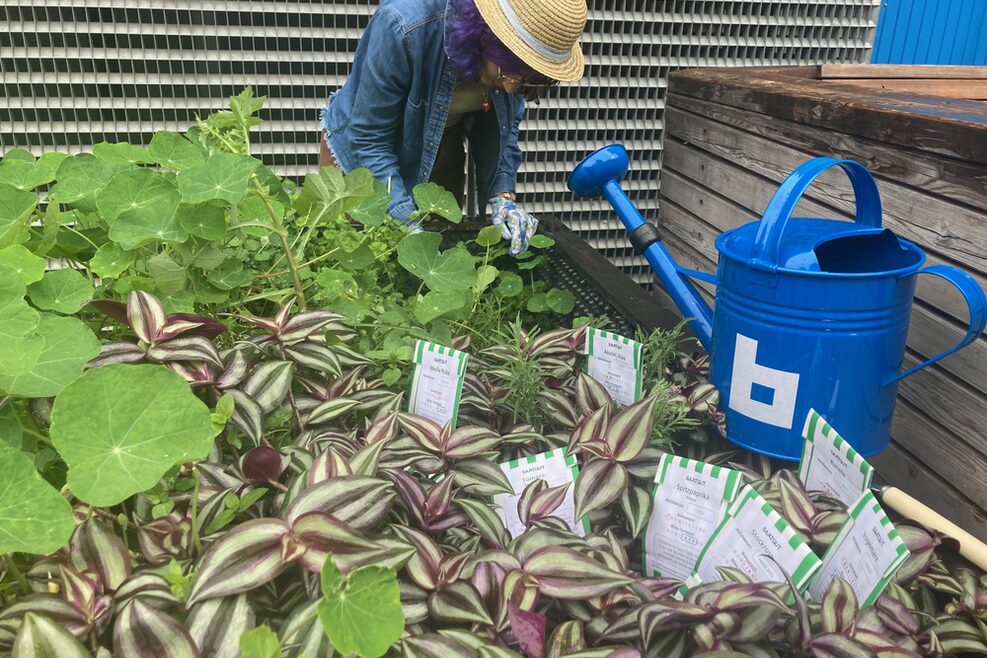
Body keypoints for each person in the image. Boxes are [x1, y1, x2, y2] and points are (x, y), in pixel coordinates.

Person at [318, 0, 587, 255]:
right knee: (361, 267)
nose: (510, 87)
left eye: (526, 77)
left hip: (440, 149)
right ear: (485, 35)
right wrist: (405, 221)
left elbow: (504, 131)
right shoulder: (404, 23)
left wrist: (502, 195)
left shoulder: (513, 71)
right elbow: (368, 139)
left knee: (437, 263)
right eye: (507, 71)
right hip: (361, 156)